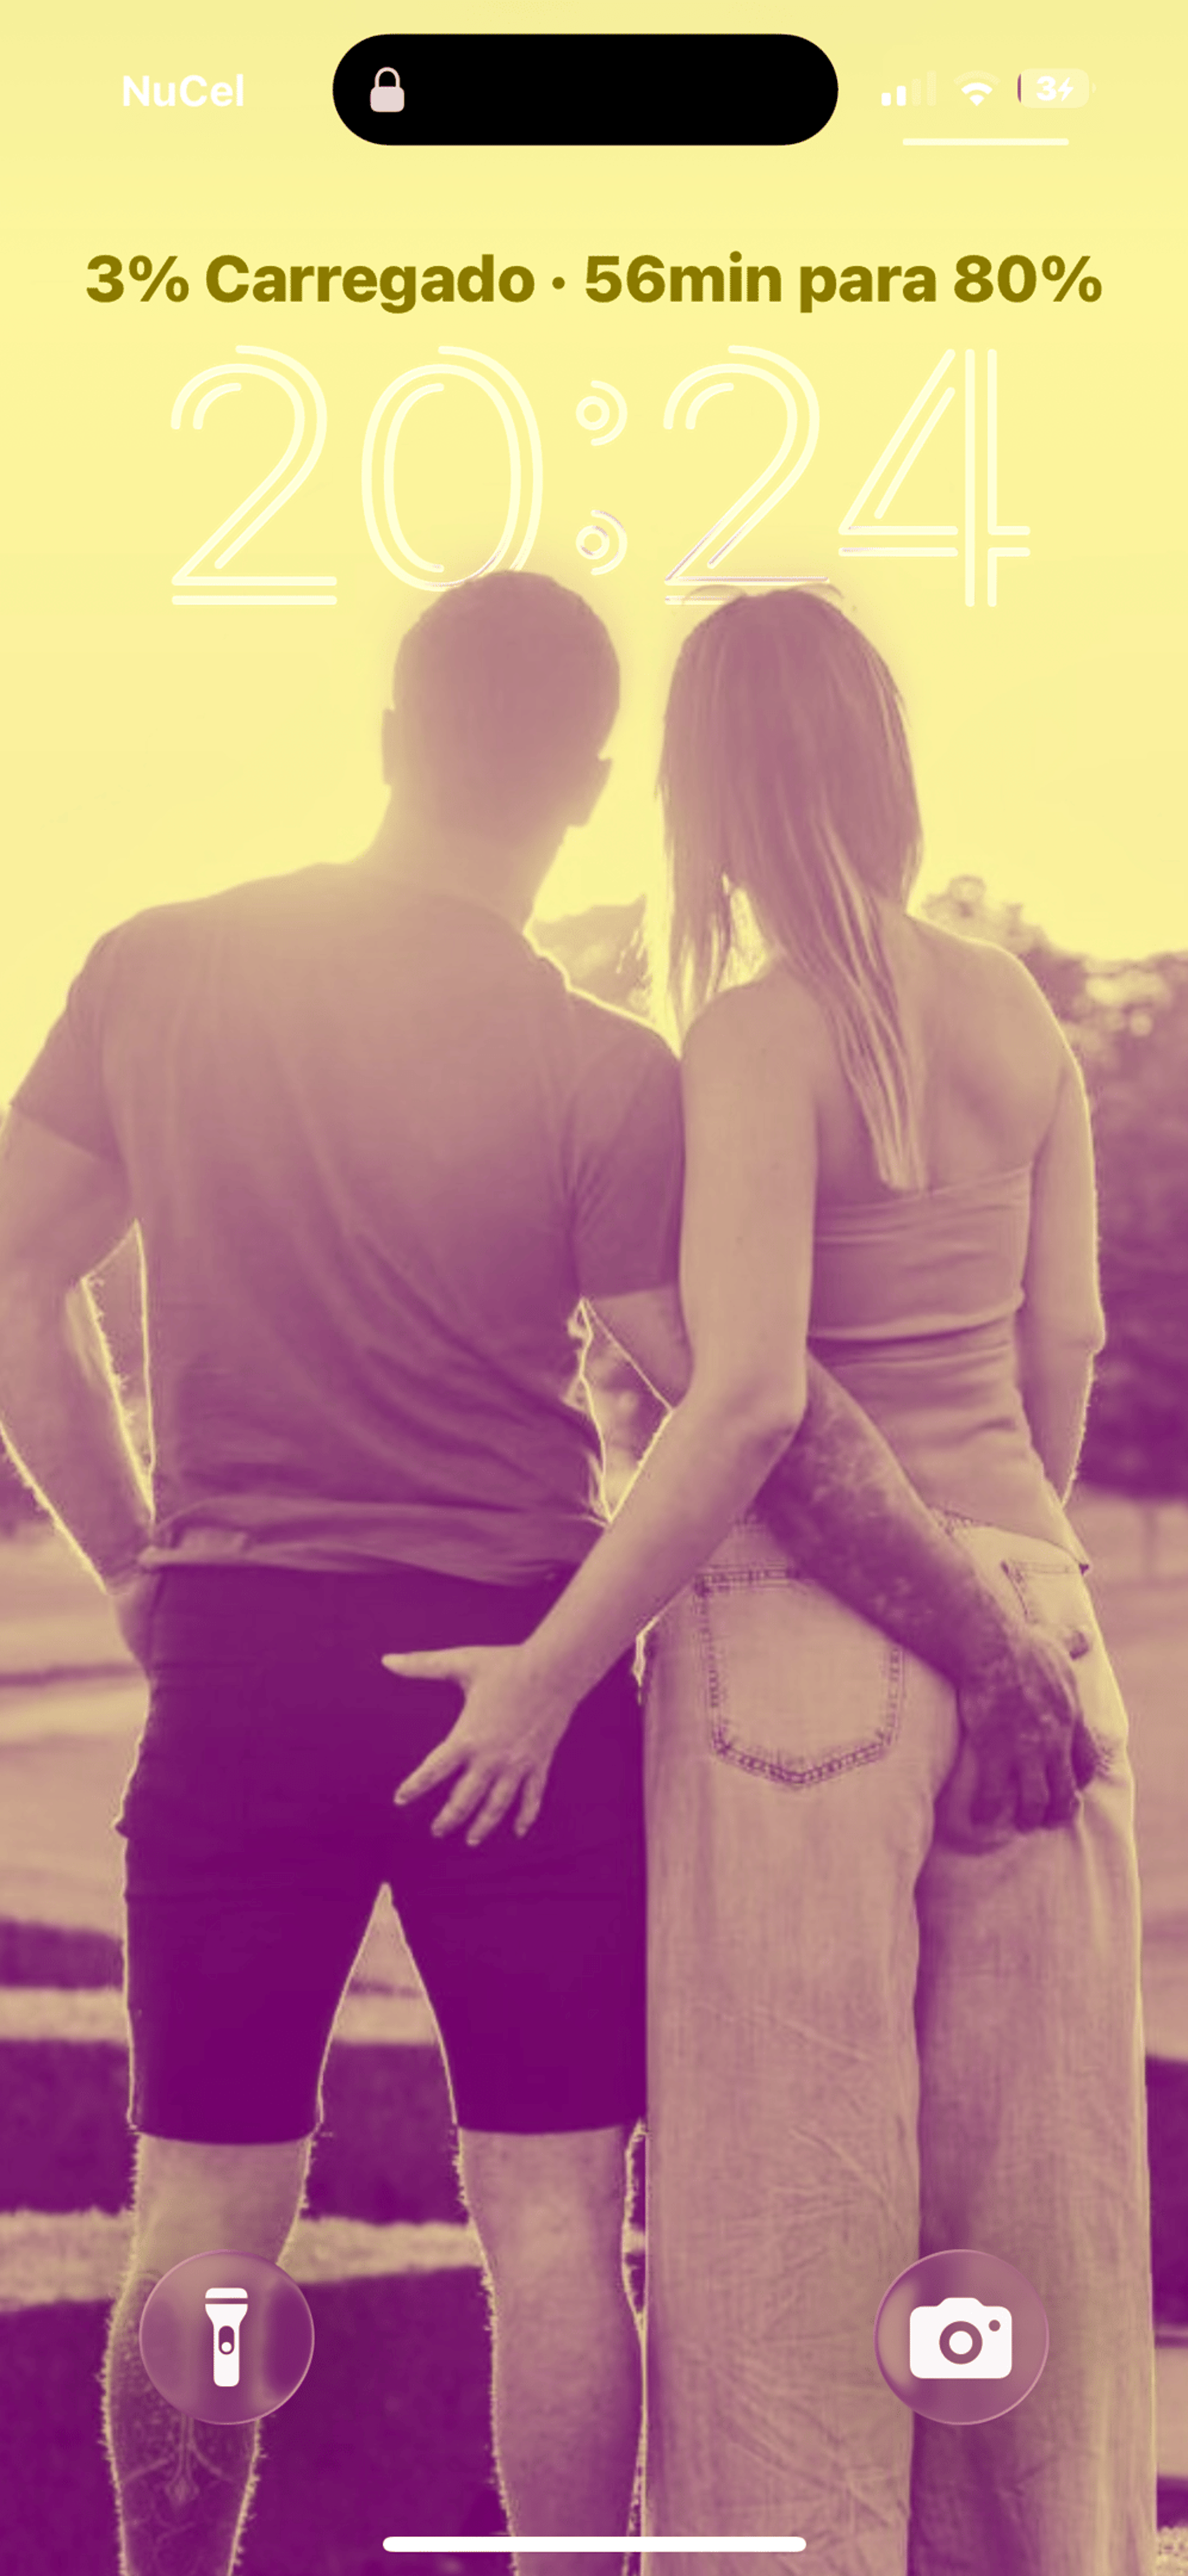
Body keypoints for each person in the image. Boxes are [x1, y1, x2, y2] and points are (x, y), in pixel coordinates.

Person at [0, 572, 1093, 2576]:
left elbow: (15, 1280)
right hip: (528, 1671)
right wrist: (996, 1646)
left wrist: (151, 1579)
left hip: (246, 1666)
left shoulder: (156, 969)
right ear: (588, 790)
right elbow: (753, 1410)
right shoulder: (607, 1070)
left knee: (206, 2220)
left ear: (389, 738)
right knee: (555, 2229)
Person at [386, 590, 1155, 2576]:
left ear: (705, 789)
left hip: (802, 1661)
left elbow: (743, 1403)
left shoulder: (749, 1032)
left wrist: (553, 1668)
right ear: (884, 769)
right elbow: (1063, 1343)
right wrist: (1001, 1592)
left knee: (788, 2237)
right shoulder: (1024, 1023)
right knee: (1035, 2237)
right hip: (1038, 1621)